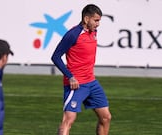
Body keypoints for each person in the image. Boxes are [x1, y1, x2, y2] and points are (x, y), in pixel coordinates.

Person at [51, 4, 111, 135]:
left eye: (99, 20)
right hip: (76, 84)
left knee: (106, 117)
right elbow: (55, 57)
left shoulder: (93, 31)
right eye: (96, 20)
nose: (98, 24)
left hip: (92, 82)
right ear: (86, 19)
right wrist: (70, 76)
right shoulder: (72, 34)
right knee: (68, 120)